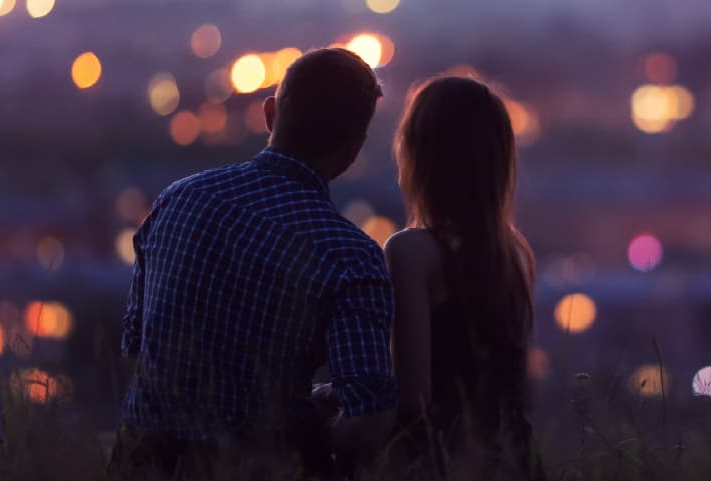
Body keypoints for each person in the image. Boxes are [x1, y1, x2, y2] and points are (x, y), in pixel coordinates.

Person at [112, 48, 396, 480]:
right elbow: (369, 421)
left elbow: (137, 348)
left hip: (143, 464)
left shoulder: (178, 199)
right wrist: (300, 427)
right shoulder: (348, 255)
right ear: (354, 147)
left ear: (269, 113)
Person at [383, 75, 547, 480]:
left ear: (420, 155)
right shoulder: (514, 254)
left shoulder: (411, 253)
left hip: (444, 463)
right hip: (515, 462)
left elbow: (414, 401)